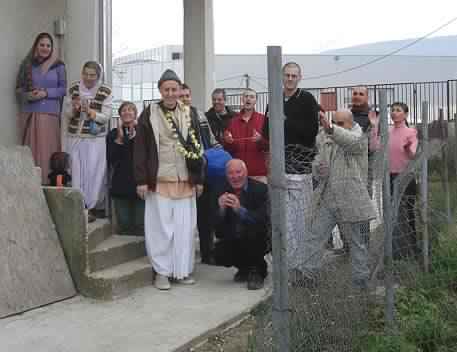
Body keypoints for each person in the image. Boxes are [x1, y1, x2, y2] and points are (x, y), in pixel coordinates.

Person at [134, 69, 204, 290]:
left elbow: (198, 147)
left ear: (180, 90)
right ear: (160, 90)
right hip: (159, 179)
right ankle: (162, 272)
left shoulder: (190, 113)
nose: (171, 93)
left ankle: (181, 271)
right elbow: (140, 149)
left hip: (185, 180)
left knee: (185, 229)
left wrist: (199, 178)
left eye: (174, 89)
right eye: (167, 89)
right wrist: (141, 180)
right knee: (161, 228)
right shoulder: (149, 113)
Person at [304, 110, 376, 289]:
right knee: (315, 236)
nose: (336, 125)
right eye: (334, 121)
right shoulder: (323, 136)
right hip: (328, 197)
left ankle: (361, 281)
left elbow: (351, 143)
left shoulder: (359, 137)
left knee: (357, 242)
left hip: (351, 199)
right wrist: (317, 169)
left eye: (340, 123)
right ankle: (307, 275)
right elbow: (316, 160)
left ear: (351, 123)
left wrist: (331, 129)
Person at [264, 62, 319, 275]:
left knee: (300, 220)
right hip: (280, 167)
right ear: (281, 77)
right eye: (286, 75)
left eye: (293, 75)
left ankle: (301, 265)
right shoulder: (275, 99)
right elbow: (267, 131)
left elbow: (311, 131)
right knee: (282, 220)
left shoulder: (306, 100)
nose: (289, 79)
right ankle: (285, 263)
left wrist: (285, 122)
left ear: (300, 77)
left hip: (300, 168)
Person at [63, 61, 112, 223]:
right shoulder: (73, 88)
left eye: (92, 75)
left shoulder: (105, 91)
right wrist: (75, 109)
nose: (88, 78)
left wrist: (92, 113)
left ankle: (91, 207)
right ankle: (79, 206)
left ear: (98, 76)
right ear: (82, 73)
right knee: (76, 171)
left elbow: (106, 116)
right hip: (75, 137)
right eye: (86, 74)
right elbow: (67, 113)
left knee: (94, 172)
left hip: (95, 139)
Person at [16, 32, 67, 184]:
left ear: (52, 48)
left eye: (48, 45)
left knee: (48, 151)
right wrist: (30, 95)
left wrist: (46, 93)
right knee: (32, 150)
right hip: (31, 114)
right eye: (42, 45)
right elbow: (19, 89)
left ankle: (48, 183)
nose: (45, 48)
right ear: (36, 46)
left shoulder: (58, 65)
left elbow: (63, 89)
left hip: (50, 115)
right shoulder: (27, 65)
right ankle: (31, 183)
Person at [370, 102, 419, 260]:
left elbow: (413, 154)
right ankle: (393, 248)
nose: (394, 113)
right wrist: (375, 126)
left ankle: (412, 245)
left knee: (407, 211)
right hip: (389, 177)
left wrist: (407, 149)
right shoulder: (388, 131)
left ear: (405, 114)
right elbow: (374, 146)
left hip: (405, 177)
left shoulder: (411, 131)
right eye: (392, 110)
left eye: (398, 110)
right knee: (390, 213)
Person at [212, 159, 269, 290]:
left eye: (239, 172)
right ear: (226, 175)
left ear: (246, 172)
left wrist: (240, 210)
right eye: (231, 173)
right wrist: (221, 209)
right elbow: (217, 230)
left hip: (258, 237)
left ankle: (257, 271)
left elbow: (262, 219)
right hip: (235, 237)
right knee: (219, 253)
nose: (235, 176)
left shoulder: (260, 189)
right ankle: (244, 267)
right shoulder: (220, 190)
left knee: (253, 232)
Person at [179, 83, 219, 264]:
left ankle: (207, 253)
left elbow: (210, 139)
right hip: (181, 173)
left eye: (187, 95)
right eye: (182, 96)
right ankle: (183, 255)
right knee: (184, 218)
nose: (184, 99)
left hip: (203, 169)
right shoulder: (171, 117)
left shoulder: (198, 114)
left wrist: (220, 155)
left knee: (206, 215)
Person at [106, 101, 144, 236]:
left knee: (141, 224)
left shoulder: (144, 131)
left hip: (140, 182)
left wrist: (135, 136)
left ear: (135, 114)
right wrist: (120, 139)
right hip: (120, 182)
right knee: (124, 224)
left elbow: (144, 155)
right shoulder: (113, 134)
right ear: (120, 114)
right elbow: (111, 158)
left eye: (130, 110)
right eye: (124, 110)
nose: (127, 112)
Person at [223, 88, 268, 184]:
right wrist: (228, 142)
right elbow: (227, 149)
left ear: (255, 101)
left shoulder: (263, 120)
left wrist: (260, 140)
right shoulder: (232, 122)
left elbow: (269, 146)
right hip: (237, 175)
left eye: (252, 97)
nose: (248, 99)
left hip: (258, 173)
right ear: (241, 99)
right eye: (246, 96)